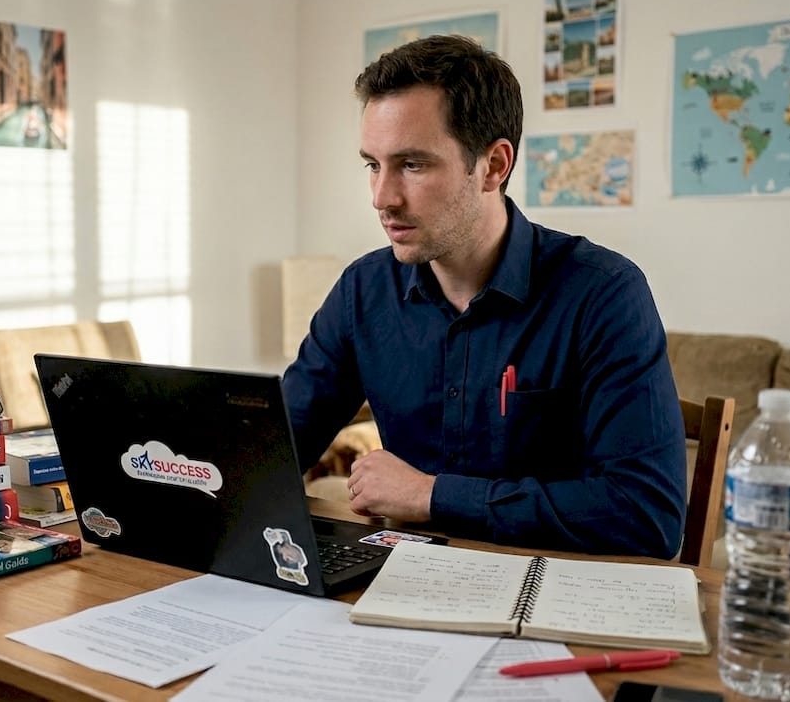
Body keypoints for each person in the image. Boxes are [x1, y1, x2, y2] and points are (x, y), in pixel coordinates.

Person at [282, 35, 686, 559]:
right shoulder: (363, 291)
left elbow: (648, 515)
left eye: (412, 165)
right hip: (401, 586)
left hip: (547, 595)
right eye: (373, 165)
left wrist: (431, 495)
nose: (382, 197)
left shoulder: (604, 294)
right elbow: (275, 447)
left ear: (494, 166)